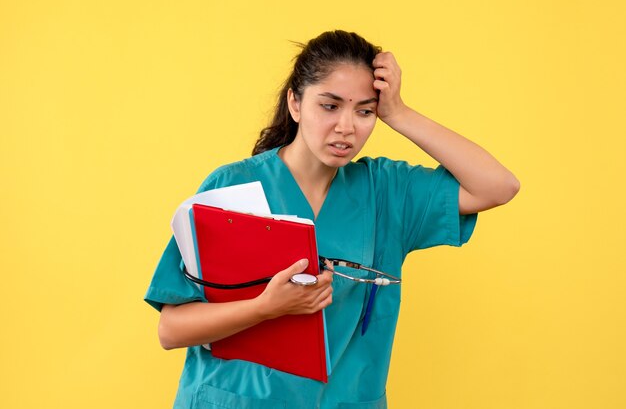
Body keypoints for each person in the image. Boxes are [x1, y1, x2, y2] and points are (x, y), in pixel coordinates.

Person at [145, 30, 520, 409]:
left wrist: (399, 113)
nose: (346, 127)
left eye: (365, 111)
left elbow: (498, 186)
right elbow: (172, 329)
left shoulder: (387, 193)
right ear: (295, 103)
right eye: (330, 106)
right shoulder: (230, 188)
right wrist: (266, 306)